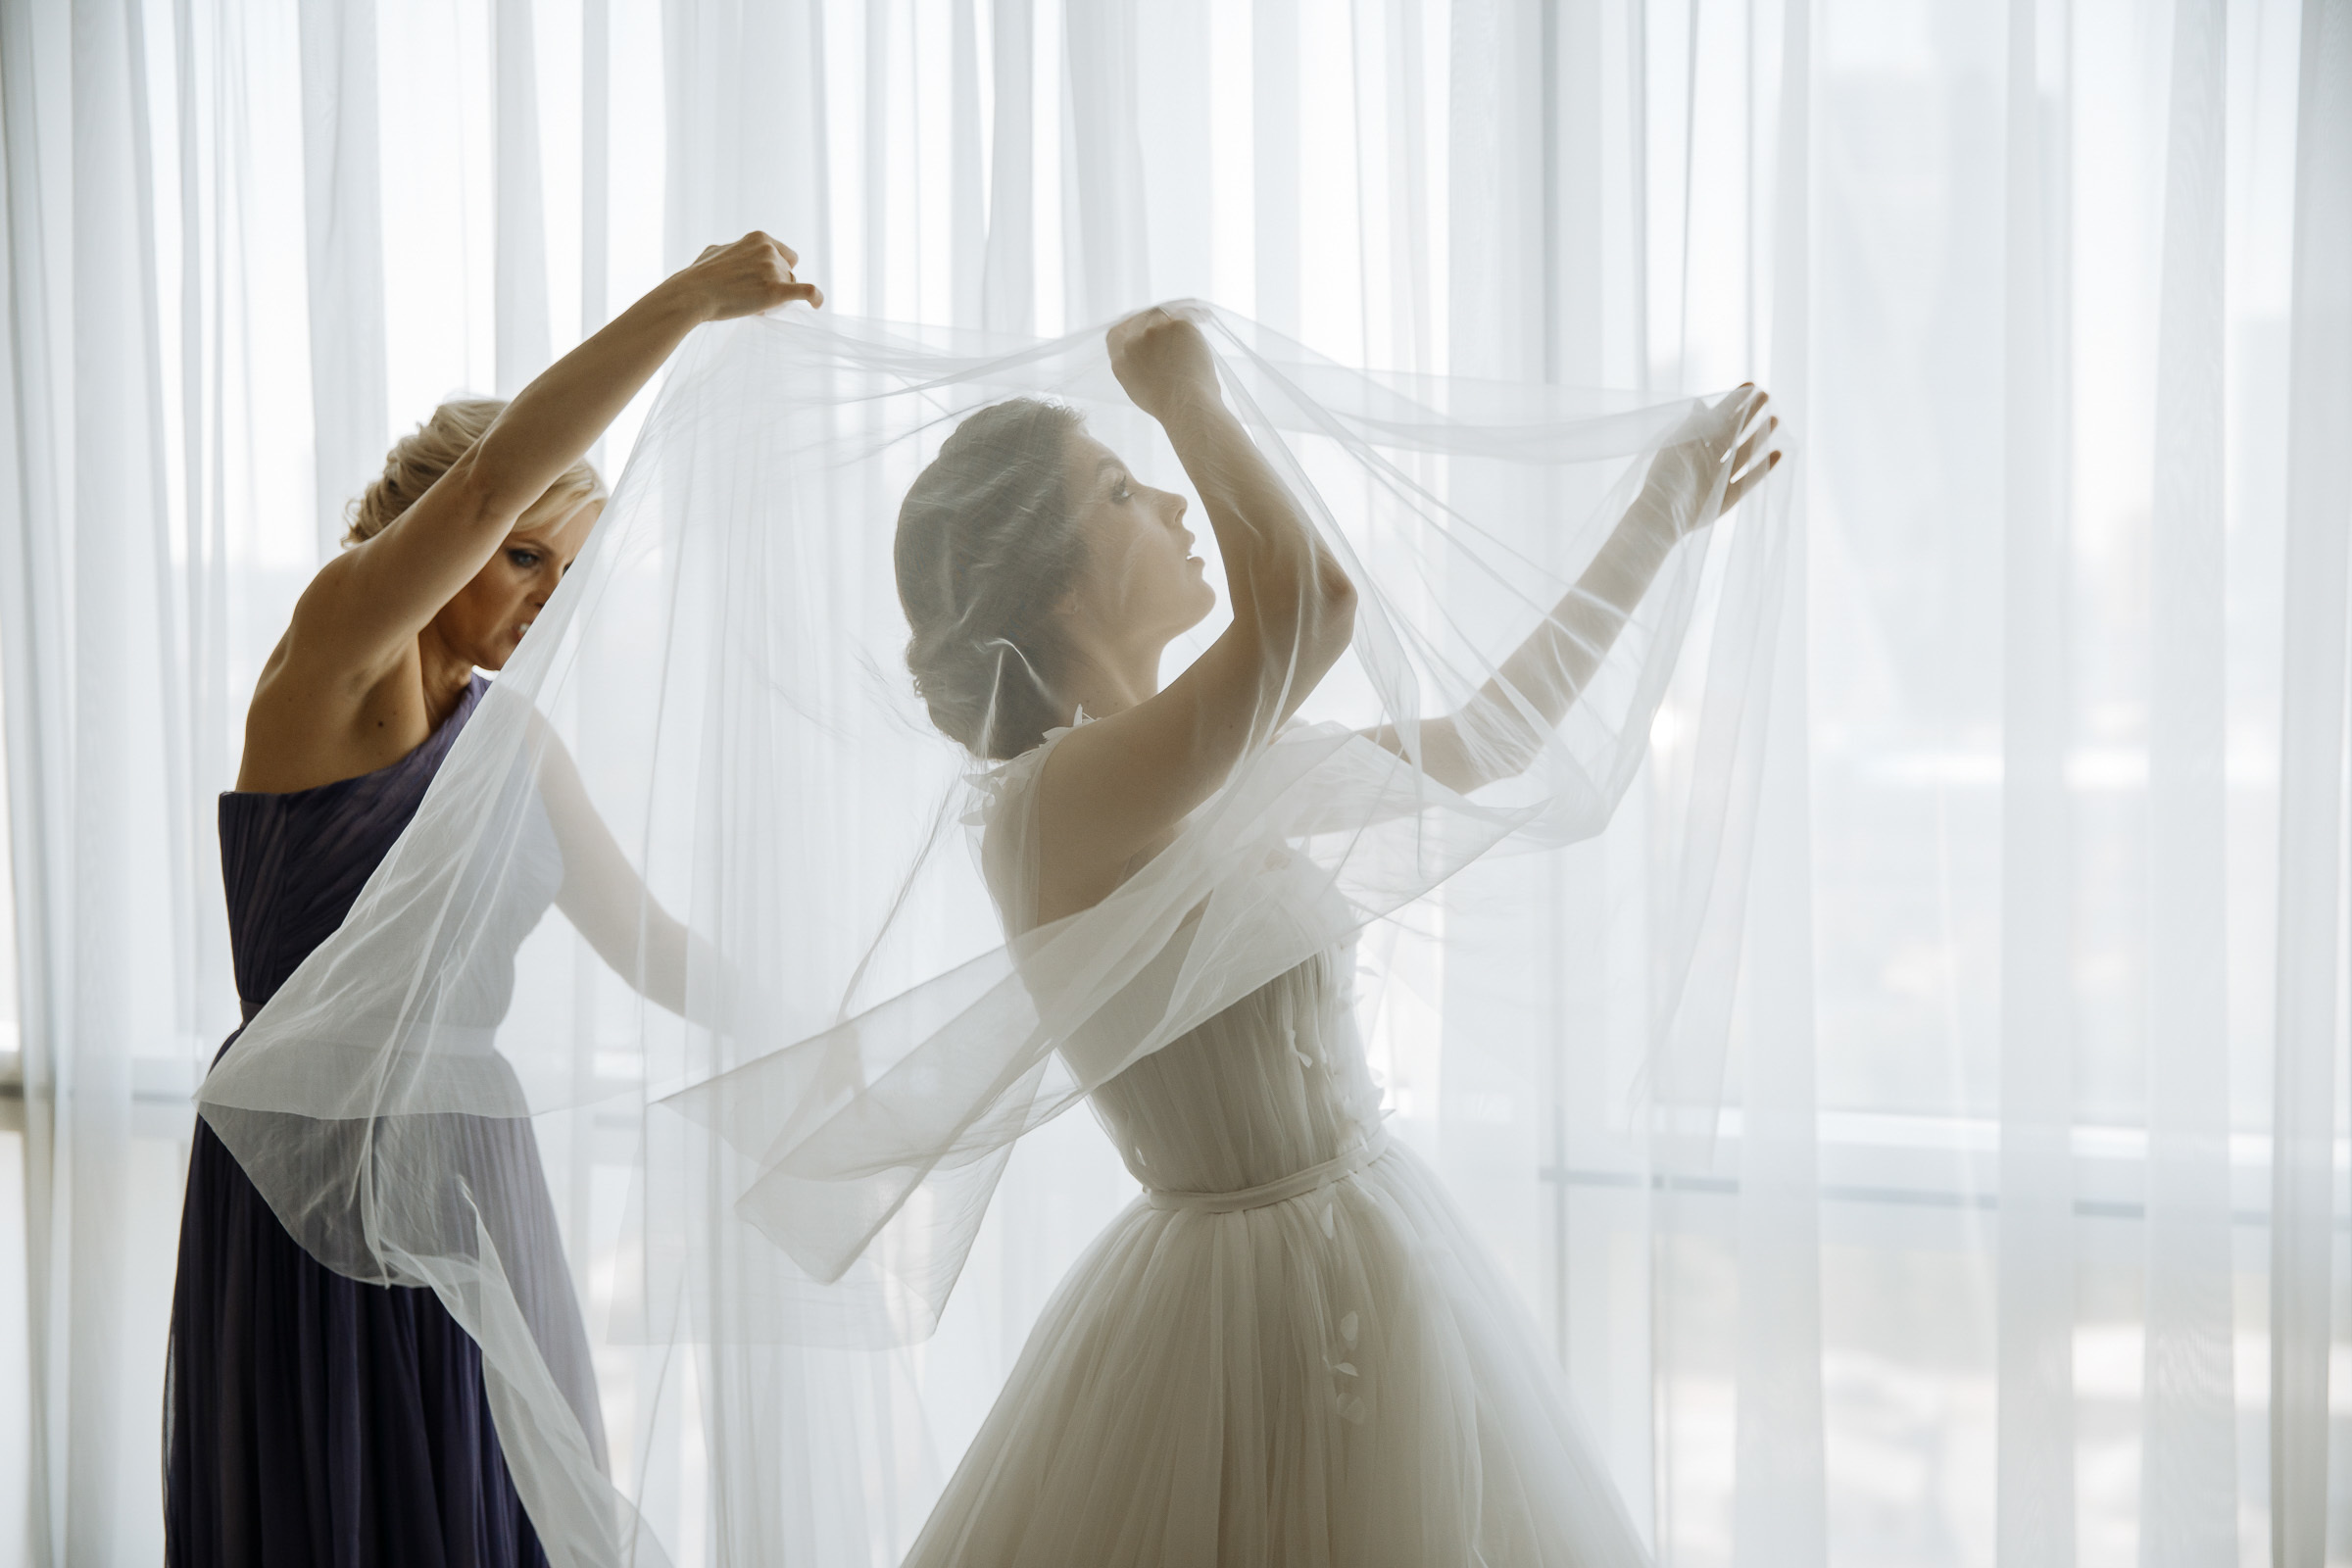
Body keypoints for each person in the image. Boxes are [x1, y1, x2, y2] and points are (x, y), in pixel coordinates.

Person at [890, 308, 1776, 1564]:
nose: (1174, 504)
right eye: (1122, 489)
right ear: (1061, 582)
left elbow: (1491, 740)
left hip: (1375, 1254)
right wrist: (1183, 393)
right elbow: (1312, 605)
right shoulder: (1054, 803)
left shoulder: (1210, 770)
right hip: (1232, 1321)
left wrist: (1661, 512)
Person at [164, 233, 819, 1568]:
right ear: (433, 541)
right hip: (315, 1167)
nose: (548, 601)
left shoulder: (514, 740)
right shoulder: (336, 657)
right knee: (340, 1506)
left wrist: (813, 1018)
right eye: (525, 558)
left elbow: (648, 945)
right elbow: (484, 484)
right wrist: (693, 300)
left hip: (471, 1164)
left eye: (570, 574)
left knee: (492, 1505)